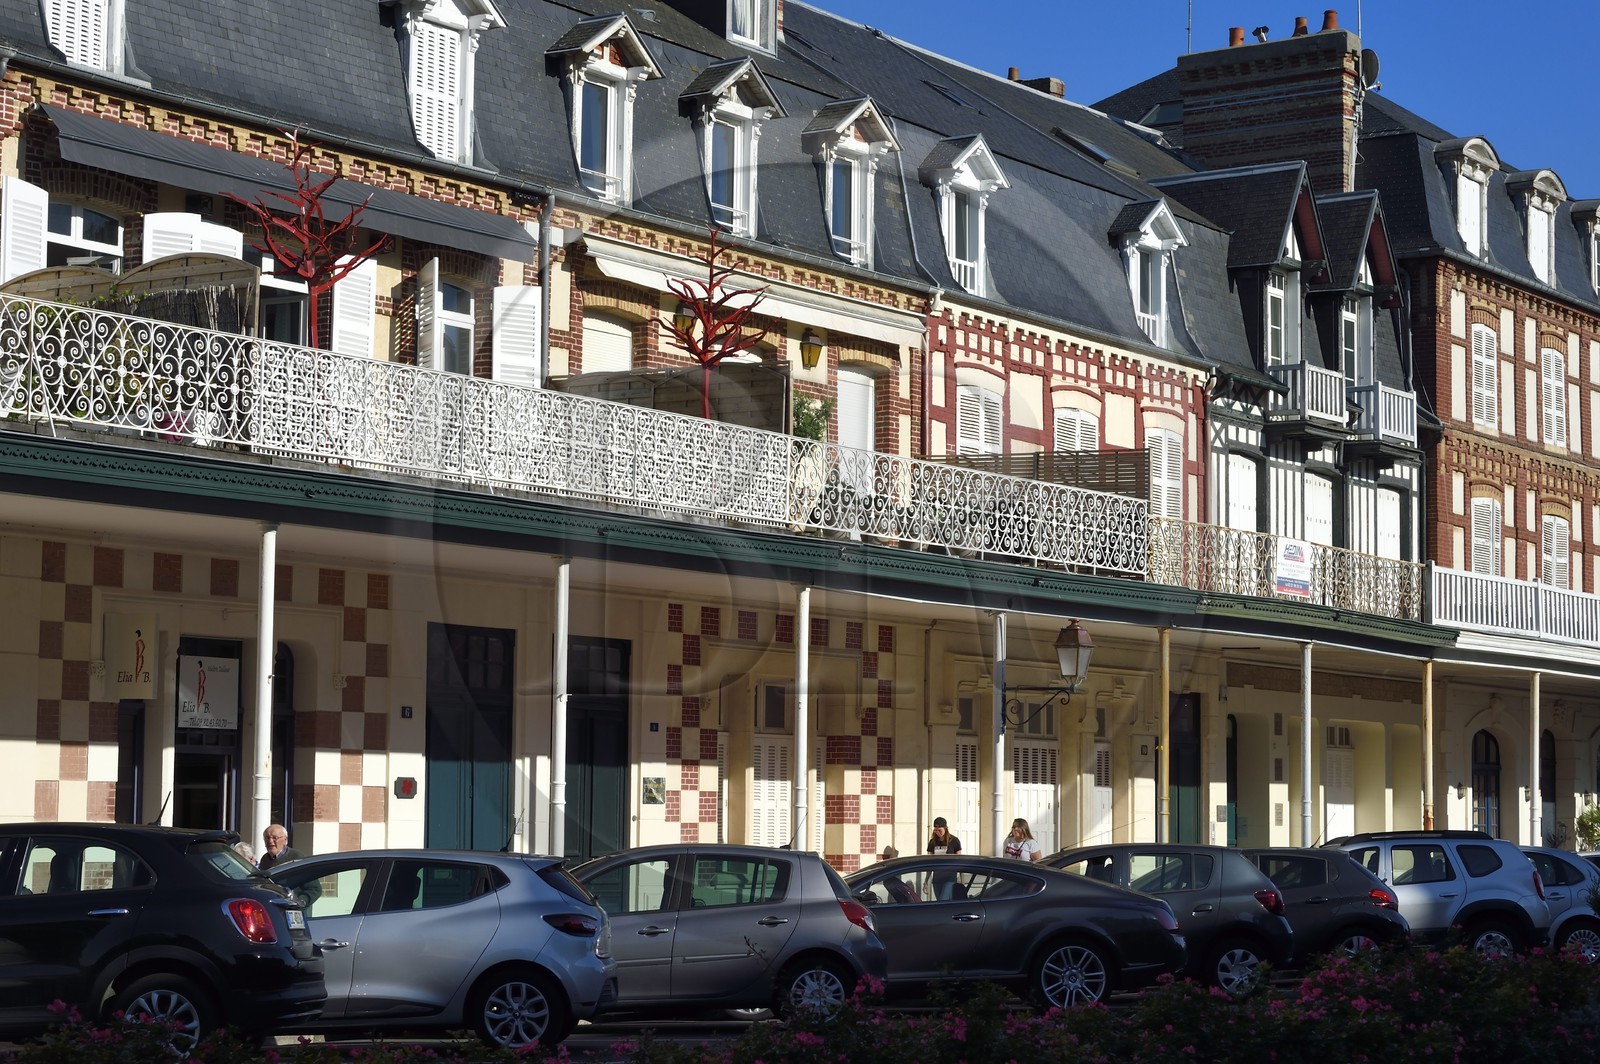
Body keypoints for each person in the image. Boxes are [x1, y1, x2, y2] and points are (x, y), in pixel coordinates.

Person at [926, 817, 962, 900]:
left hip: (949, 877)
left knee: (944, 899)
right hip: (937, 877)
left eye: (940, 830)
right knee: (940, 903)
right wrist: (926, 880)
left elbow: (959, 859)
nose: (937, 833)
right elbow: (929, 862)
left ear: (945, 828)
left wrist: (960, 877)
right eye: (935, 830)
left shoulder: (954, 841)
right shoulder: (932, 842)